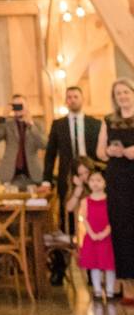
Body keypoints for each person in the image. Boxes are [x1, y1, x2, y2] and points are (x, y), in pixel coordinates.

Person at [42, 87, 103, 231]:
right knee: (67, 213)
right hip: (67, 176)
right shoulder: (58, 125)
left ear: (82, 99)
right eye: (69, 97)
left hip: (91, 174)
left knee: (94, 212)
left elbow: (101, 152)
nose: (72, 100)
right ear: (66, 101)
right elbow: (50, 154)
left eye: (76, 96)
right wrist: (46, 180)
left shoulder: (95, 124)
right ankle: (70, 247)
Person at [97, 77, 134, 304]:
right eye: (118, 93)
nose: (122, 96)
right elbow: (99, 153)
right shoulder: (108, 120)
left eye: (126, 92)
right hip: (118, 178)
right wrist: (110, 150)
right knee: (122, 227)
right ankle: (127, 282)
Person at [0, 94, 47, 189]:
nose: (18, 108)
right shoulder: (7, 124)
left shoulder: (37, 125)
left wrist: (31, 125)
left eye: (20, 105)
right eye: (15, 106)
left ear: (27, 106)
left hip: (33, 175)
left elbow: (44, 145)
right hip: (10, 176)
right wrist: (3, 117)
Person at [77, 168, 115, 300]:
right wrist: (91, 233)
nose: (95, 183)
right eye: (92, 180)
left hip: (107, 237)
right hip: (92, 236)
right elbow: (84, 218)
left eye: (99, 180)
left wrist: (105, 232)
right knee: (94, 265)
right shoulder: (85, 201)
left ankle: (110, 291)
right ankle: (97, 290)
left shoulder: (110, 200)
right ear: (88, 182)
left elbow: (113, 219)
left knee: (110, 265)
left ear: (105, 183)